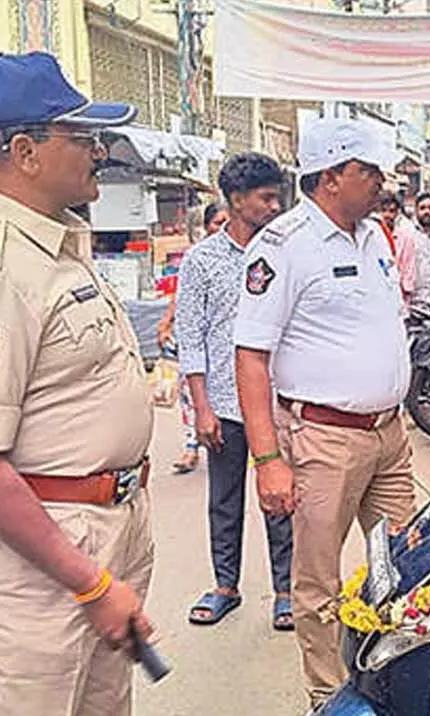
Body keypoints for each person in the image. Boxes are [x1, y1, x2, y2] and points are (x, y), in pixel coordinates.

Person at [0, 52, 155, 716]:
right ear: (23, 151)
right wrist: (91, 582)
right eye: (81, 138)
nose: (99, 152)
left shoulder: (55, 244)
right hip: (34, 562)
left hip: (100, 528)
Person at [233, 118, 415, 708]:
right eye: (368, 172)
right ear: (332, 177)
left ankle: (391, 681)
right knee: (317, 585)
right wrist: (268, 461)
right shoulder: (283, 246)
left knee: (408, 565)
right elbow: (252, 358)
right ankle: (330, 699)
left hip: (389, 436)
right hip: (322, 440)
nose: (380, 183)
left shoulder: (376, 237)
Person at [175, 153, 296, 629]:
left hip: (276, 403)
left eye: (277, 197)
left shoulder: (288, 252)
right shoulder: (202, 260)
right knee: (224, 499)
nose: (274, 206)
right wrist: (201, 407)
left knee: (282, 498)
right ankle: (226, 585)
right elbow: (191, 332)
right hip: (224, 403)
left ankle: (285, 589)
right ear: (237, 200)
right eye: (265, 198)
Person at [161, 202, 228, 474]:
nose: (222, 228)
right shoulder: (197, 258)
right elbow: (182, 297)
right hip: (196, 337)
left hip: (225, 343)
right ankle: (191, 447)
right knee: (191, 393)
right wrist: (167, 322)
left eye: (227, 221)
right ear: (207, 226)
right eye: (217, 222)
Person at [377, 191, 415, 307]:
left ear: (397, 213)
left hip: (398, 297)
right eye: (383, 210)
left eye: (391, 211)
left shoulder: (405, 237)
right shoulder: (370, 237)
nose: (387, 215)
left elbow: (408, 269)